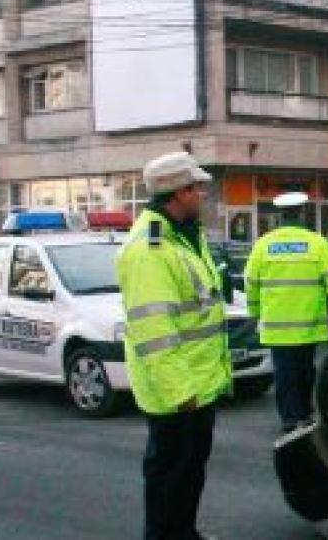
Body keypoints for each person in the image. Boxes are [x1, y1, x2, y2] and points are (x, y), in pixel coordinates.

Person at [116, 151, 232, 540]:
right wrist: (182, 392)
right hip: (178, 391)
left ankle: (184, 532)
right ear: (179, 193)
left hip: (198, 383)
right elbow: (155, 333)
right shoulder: (150, 250)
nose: (203, 194)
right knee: (169, 474)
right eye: (197, 188)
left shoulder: (184, 238)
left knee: (189, 471)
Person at [244, 192, 328, 434]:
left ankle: (289, 419)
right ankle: (307, 415)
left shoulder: (263, 245)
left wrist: (255, 313)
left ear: (280, 215)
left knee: (284, 375)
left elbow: (251, 282)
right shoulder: (317, 243)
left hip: (277, 329)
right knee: (306, 371)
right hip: (308, 326)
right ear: (302, 213)